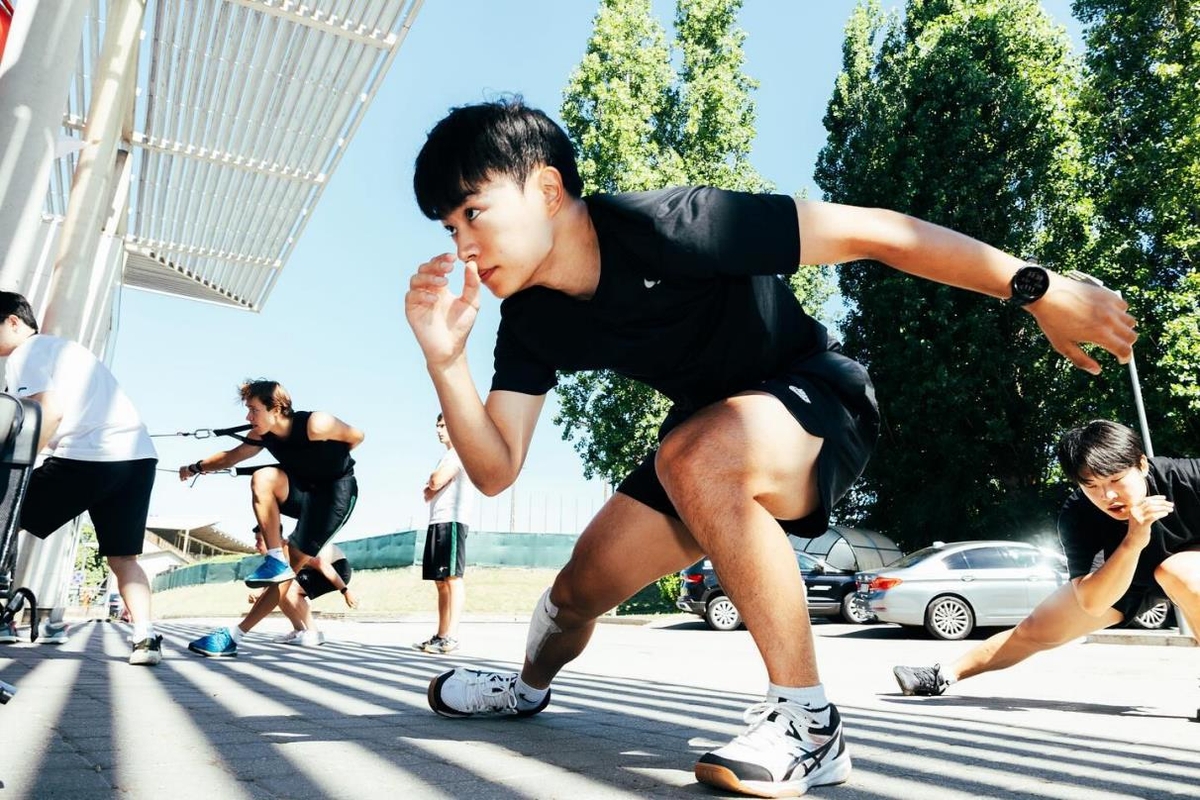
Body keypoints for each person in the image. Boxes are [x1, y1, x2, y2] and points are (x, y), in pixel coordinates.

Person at [402, 98, 1137, 798]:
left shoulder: (681, 224)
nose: (462, 243)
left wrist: (1037, 288)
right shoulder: (532, 320)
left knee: (697, 455)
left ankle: (809, 724)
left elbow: (880, 232)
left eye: (474, 211)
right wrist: (445, 362)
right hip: (706, 440)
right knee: (573, 595)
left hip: (818, 400)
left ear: (548, 189)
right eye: (447, 228)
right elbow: (495, 471)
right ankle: (525, 689)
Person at [893, 420, 1199, 697]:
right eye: (1091, 485)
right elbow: (1093, 602)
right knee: (1034, 629)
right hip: (1119, 578)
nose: (1107, 496)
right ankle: (941, 676)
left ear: (1142, 465)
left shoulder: (1187, 478)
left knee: (1177, 571)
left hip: (1187, 565)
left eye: (1116, 479)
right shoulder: (1077, 514)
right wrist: (1133, 540)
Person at [0, 291, 162, 665]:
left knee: (6, 519)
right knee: (124, 558)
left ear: (13, 321)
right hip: (136, 459)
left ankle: (4, 620)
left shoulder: (27, 353)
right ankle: (145, 638)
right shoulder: (64, 349)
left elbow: (49, 413)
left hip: (88, 459)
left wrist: (21, 471)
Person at [179, 380, 362, 655]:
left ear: (275, 408)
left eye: (253, 410)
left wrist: (325, 463)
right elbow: (232, 457)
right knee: (262, 477)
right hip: (302, 489)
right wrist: (196, 467)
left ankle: (235, 636)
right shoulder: (263, 434)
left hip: (334, 496)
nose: (248, 417)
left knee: (292, 571)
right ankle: (275, 559)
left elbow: (357, 437)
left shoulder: (316, 424)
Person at [190, 534, 357, 657]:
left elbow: (321, 564)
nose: (256, 545)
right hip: (323, 569)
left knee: (290, 589)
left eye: (259, 540)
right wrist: (261, 592)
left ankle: (313, 633)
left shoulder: (292, 549)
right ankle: (299, 631)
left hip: (337, 569)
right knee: (282, 589)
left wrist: (345, 591)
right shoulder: (279, 556)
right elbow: (280, 582)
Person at [413, 412, 478, 655]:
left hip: (453, 521)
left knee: (453, 578)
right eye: (437, 425)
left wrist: (433, 482)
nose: (439, 430)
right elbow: (430, 489)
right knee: (440, 583)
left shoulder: (459, 453)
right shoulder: (446, 456)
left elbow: (435, 480)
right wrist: (433, 483)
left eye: (444, 425)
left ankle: (451, 636)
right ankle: (440, 635)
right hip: (437, 521)